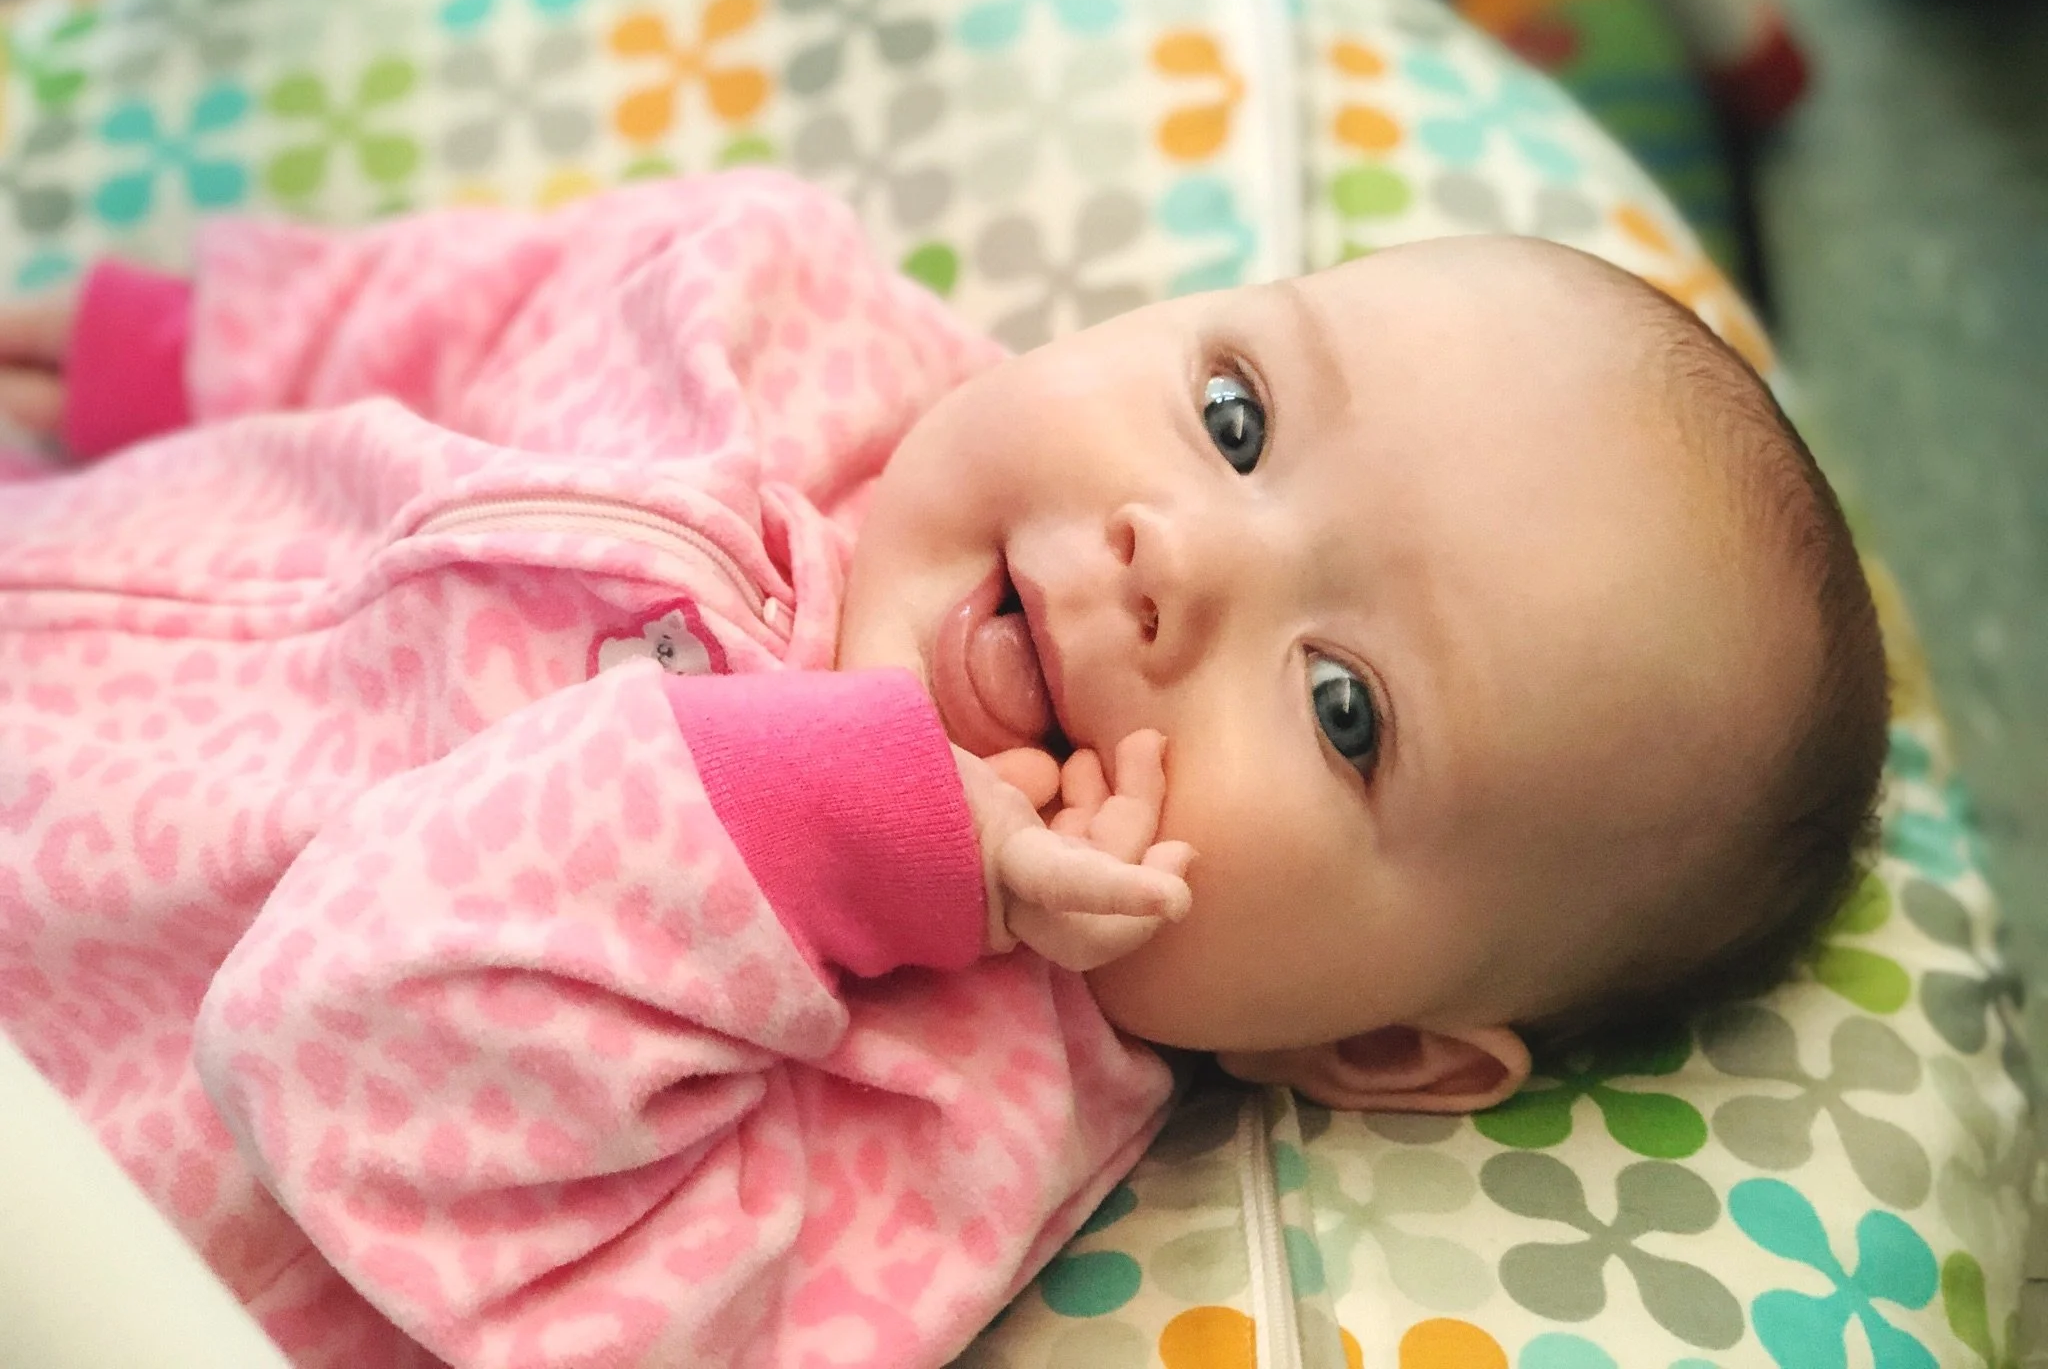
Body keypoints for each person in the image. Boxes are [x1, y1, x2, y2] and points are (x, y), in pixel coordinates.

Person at [0, 170, 1887, 1368]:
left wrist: (838, 835)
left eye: (1344, 710)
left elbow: (339, 1049)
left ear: (1375, 1047)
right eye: (1235, 415)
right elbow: (497, 301)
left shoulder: (926, 1151)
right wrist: (162, 351)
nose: (1185, 558)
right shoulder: (798, 321)